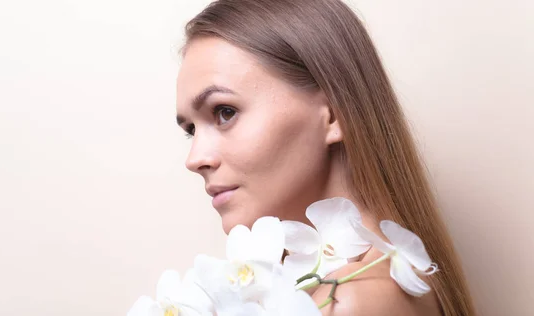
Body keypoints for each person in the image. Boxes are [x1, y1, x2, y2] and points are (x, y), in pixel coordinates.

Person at [174, 0, 475, 315]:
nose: (195, 159)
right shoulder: (342, 285)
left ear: (333, 115)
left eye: (225, 112)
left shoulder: (351, 302)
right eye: (191, 129)